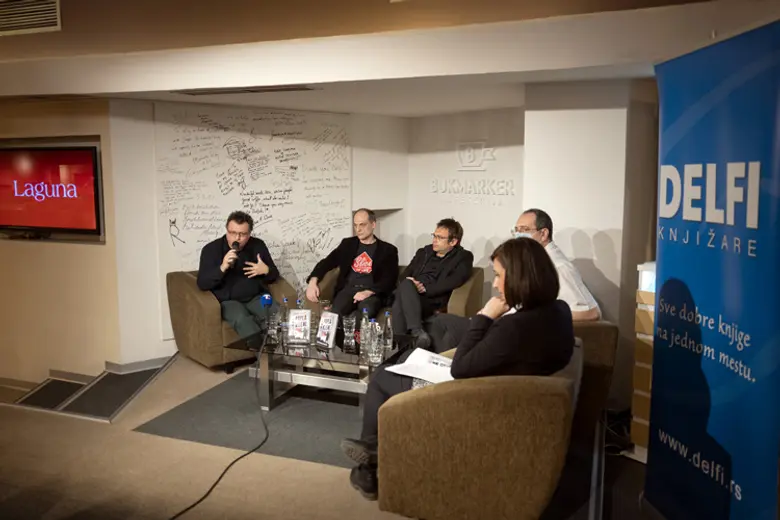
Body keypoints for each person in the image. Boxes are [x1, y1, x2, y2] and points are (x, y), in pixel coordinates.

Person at [340, 237, 575, 501]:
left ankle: (368, 467)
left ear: (520, 277)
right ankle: (374, 450)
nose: (495, 284)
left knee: (382, 377)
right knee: (427, 342)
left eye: (499, 276)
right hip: (505, 390)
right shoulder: (559, 310)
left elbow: (461, 369)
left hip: (475, 397)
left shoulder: (514, 327)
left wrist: (485, 316)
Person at [429, 208, 600, 353]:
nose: (518, 235)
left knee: (439, 326)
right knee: (437, 325)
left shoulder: (559, 267)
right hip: (502, 324)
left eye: (524, 229)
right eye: (516, 230)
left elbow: (592, 313)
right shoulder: (534, 260)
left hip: (509, 332)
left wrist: (527, 317)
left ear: (543, 233)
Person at [197, 211, 280, 339]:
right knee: (242, 320)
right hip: (228, 301)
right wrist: (222, 267)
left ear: (249, 234)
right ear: (227, 230)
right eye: (232, 233)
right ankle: (260, 350)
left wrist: (266, 270)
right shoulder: (211, 249)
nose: (237, 238)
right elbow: (202, 283)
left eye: (243, 234)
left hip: (255, 297)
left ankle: (282, 348)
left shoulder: (258, 245)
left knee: (276, 315)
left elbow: (274, 275)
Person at [391, 218, 473, 349]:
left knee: (401, 297)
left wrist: (425, 288)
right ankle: (417, 334)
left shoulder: (463, 257)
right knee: (406, 285)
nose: (434, 240)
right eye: (434, 236)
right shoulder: (424, 252)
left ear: (453, 241)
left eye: (440, 237)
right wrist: (412, 284)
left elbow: (456, 280)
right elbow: (404, 275)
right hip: (411, 293)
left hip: (432, 299)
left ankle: (403, 343)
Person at [305, 208, 399, 318]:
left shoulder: (388, 250)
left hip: (372, 292)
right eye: (355, 225)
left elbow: (389, 279)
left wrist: (368, 292)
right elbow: (327, 262)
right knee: (336, 313)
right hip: (348, 290)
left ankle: (353, 324)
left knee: (366, 311)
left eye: (362, 225)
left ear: (373, 224)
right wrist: (313, 281)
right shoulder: (348, 244)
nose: (358, 229)